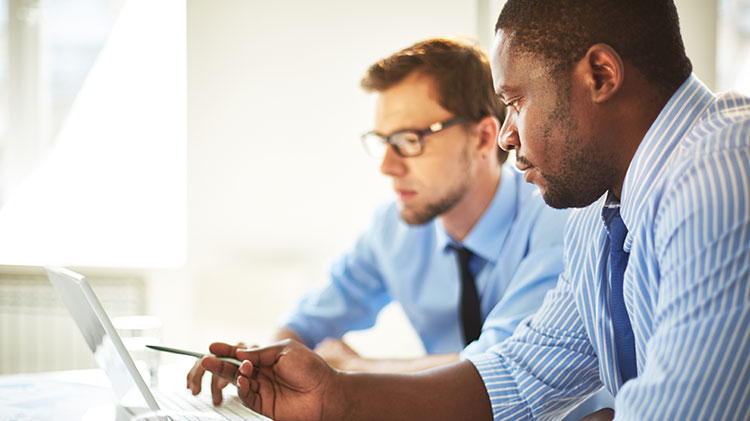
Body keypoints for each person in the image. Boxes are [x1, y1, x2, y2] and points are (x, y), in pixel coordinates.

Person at [203, 0, 750, 418]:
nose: (510, 135)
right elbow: (522, 373)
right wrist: (337, 395)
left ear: (601, 75)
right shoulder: (598, 212)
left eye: (515, 101)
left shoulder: (719, 175)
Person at [189, 36, 582, 410]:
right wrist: (255, 366)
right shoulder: (394, 229)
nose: (387, 166)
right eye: (383, 141)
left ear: (483, 138)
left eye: (410, 140)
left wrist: (348, 369)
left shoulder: (559, 220)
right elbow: (304, 324)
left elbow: (498, 370)